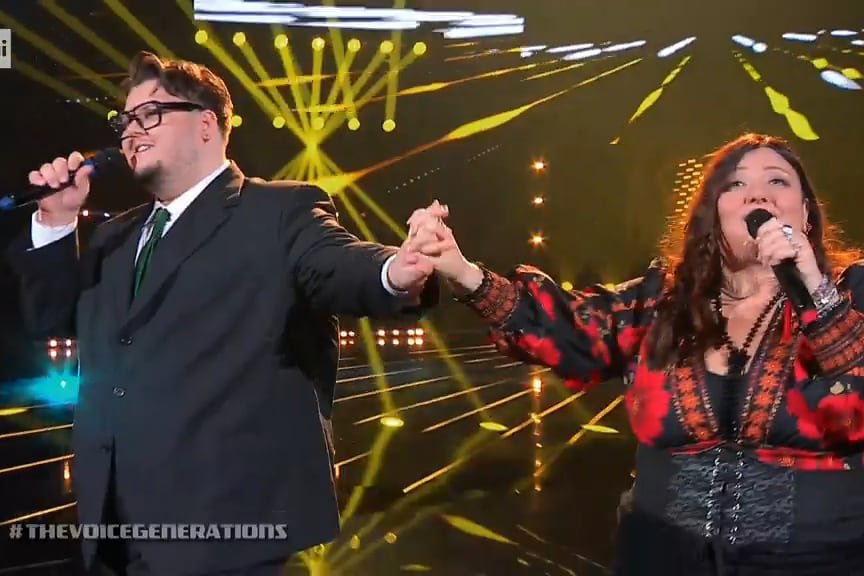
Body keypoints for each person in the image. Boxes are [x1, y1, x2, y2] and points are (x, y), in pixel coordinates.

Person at [6, 51, 438, 576]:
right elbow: (50, 320)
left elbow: (336, 265)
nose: (131, 131)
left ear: (207, 125)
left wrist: (395, 270)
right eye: (125, 120)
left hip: (231, 533)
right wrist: (56, 221)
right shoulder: (115, 236)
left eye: (150, 115)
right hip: (115, 531)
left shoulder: (278, 211)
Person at [408, 134, 864, 575]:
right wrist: (462, 271)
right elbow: (570, 328)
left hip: (817, 559)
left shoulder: (852, 294)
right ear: (713, 214)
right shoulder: (661, 301)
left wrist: (814, 291)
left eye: (777, 181)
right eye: (736, 183)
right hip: (660, 556)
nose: (757, 194)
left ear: (806, 214)